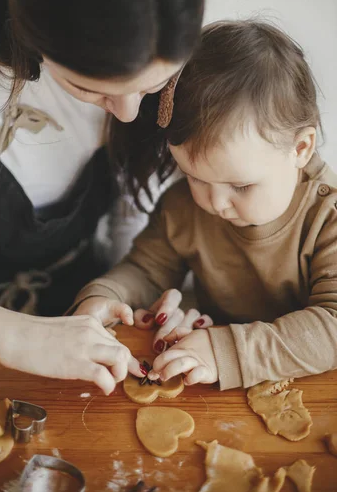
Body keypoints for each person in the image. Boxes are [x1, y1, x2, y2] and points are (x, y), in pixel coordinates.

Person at [0, 0, 205, 394]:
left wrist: (124, 298)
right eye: (91, 89)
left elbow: (132, 218)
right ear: (32, 30)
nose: (127, 113)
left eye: (149, 89)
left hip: (78, 303)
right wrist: (13, 335)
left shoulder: (163, 46)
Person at [71, 19, 337, 390]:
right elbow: (147, 272)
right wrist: (104, 297)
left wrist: (226, 351)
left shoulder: (328, 217)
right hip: (215, 382)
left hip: (311, 389)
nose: (214, 202)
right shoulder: (182, 206)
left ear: (300, 149)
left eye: (241, 185)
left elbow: (332, 326)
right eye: (193, 176)